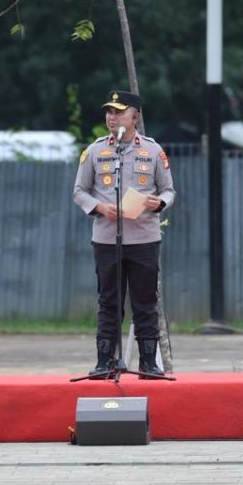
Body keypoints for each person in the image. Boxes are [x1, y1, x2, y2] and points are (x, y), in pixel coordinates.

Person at [72, 90, 175, 378]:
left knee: (145, 301)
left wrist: (161, 202)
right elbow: (79, 192)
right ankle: (104, 361)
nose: (111, 116)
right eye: (109, 111)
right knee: (109, 301)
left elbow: (168, 189)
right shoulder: (95, 151)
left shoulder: (153, 151)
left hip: (144, 238)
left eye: (119, 111)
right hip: (106, 239)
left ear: (135, 116)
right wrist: (99, 207)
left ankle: (148, 363)